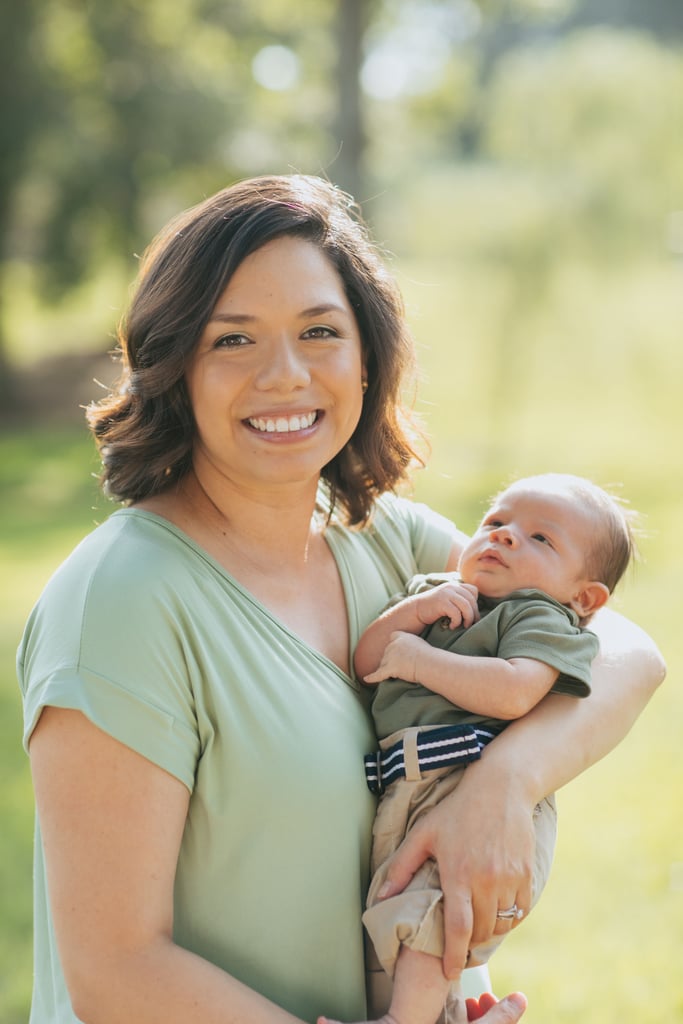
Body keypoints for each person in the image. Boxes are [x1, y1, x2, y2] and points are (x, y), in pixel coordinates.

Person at [16, 175, 664, 1024]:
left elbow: (626, 654)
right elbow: (116, 970)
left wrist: (502, 784)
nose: (284, 376)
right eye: (233, 341)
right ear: (176, 368)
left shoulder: (386, 539)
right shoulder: (122, 601)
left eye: (319, 331)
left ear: (367, 356)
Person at [322, 474, 634, 1024]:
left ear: (584, 597)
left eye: (541, 539)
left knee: (434, 912)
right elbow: (369, 662)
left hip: (469, 786)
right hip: (406, 783)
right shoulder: (436, 591)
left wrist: (420, 660)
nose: (506, 536)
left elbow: (514, 690)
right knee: (395, 912)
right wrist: (414, 614)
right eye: (495, 522)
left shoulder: (543, 618)